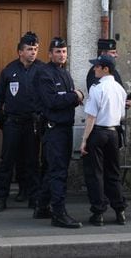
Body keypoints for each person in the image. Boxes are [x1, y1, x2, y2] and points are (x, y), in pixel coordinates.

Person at [0, 32, 44, 212]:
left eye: (35, 49)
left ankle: (34, 198)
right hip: (12, 122)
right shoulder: (9, 70)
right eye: (29, 49)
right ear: (20, 51)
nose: (33, 52)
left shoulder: (42, 70)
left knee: (32, 162)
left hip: (33, 123)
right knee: (7, 162)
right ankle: (1, 198)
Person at [33, 37, 84, 228]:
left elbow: (65, 99)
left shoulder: (65, 74)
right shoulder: (44, 74)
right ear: (50, 54)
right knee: (58, 172)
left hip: (64, 129)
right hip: (53, 129)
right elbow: (52, 102)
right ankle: (59, 213)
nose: (61, 55)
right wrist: (75, 96)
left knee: (51, 170)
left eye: (63, 51)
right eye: (57, 52)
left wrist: (72, 96)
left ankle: (42, 206)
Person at [80, 55, 128, 226]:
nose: (94, 69)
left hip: (98, 132)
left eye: (97, 67)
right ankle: (119, 210)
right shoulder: (120, 89)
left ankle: (98, 212)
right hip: (113, 132)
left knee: (96, 174)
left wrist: (84, 140)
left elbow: (91, 117)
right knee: (113, 173)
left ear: (105, 69)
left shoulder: (96, 88)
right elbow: (122, 114)